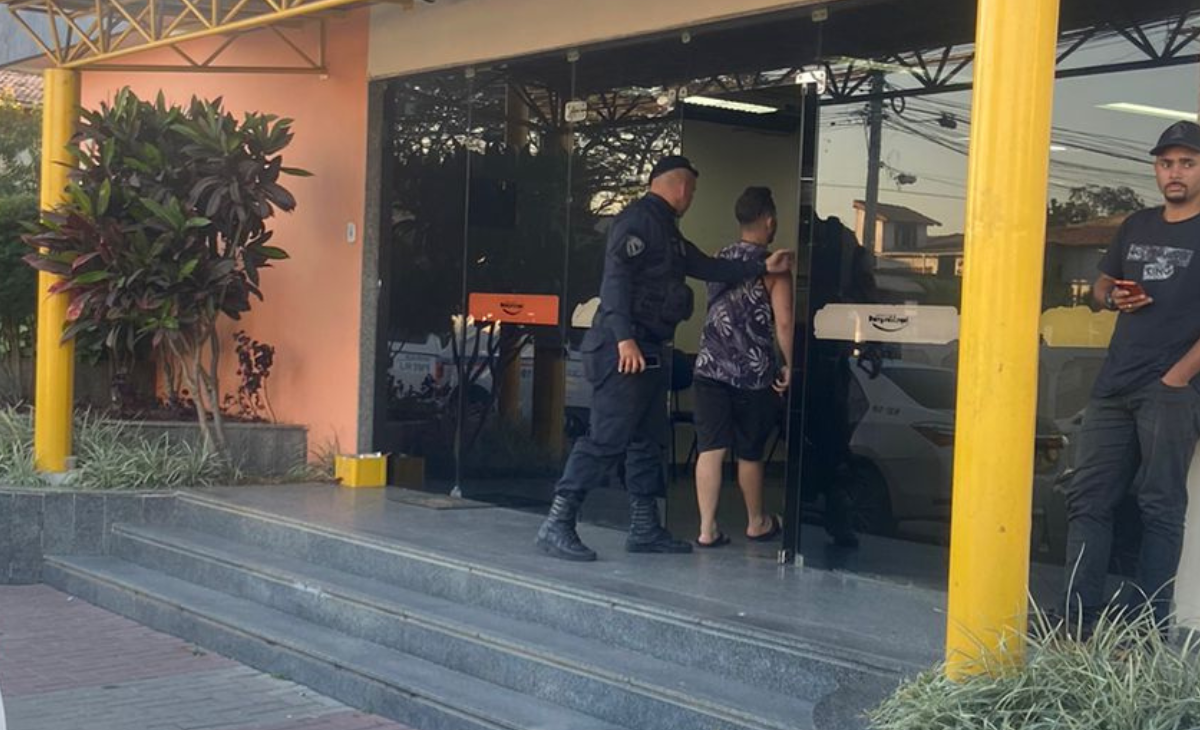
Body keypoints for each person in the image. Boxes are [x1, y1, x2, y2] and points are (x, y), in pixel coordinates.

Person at [535, 155, 794, 561]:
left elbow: (707, 266)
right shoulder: (637, 221)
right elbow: (615, 281)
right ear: (682, 188)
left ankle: (645, 527)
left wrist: (762, 264)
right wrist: (624, 339)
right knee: (607, 438)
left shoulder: (666, 230)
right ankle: (558, 521)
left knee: (647, 441)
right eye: (692, 191)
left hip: (650, 351)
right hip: (624, 351)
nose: (691, 198)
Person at [1062, 120, 1200, 633]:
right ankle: (1077, 621)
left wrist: (1176, 378)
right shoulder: (1137, 224)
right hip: (1114, 385)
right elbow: (1100, 287)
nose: (1175, 172)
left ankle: (1147, 630)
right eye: (1166, 163)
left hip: (1169, 390)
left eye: (1187, 163)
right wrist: (1113, 296)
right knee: (1088, 499)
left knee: (1159, 507)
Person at [690, 187, 792, 547]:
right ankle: (756, 522)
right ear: (769, 220)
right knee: (750, 451)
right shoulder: (774, 266)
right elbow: (784, 322)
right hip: (753, 374)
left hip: (709, 368)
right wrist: (791, 365)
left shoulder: (719, 259)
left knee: (711, 448)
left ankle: (707, 529)